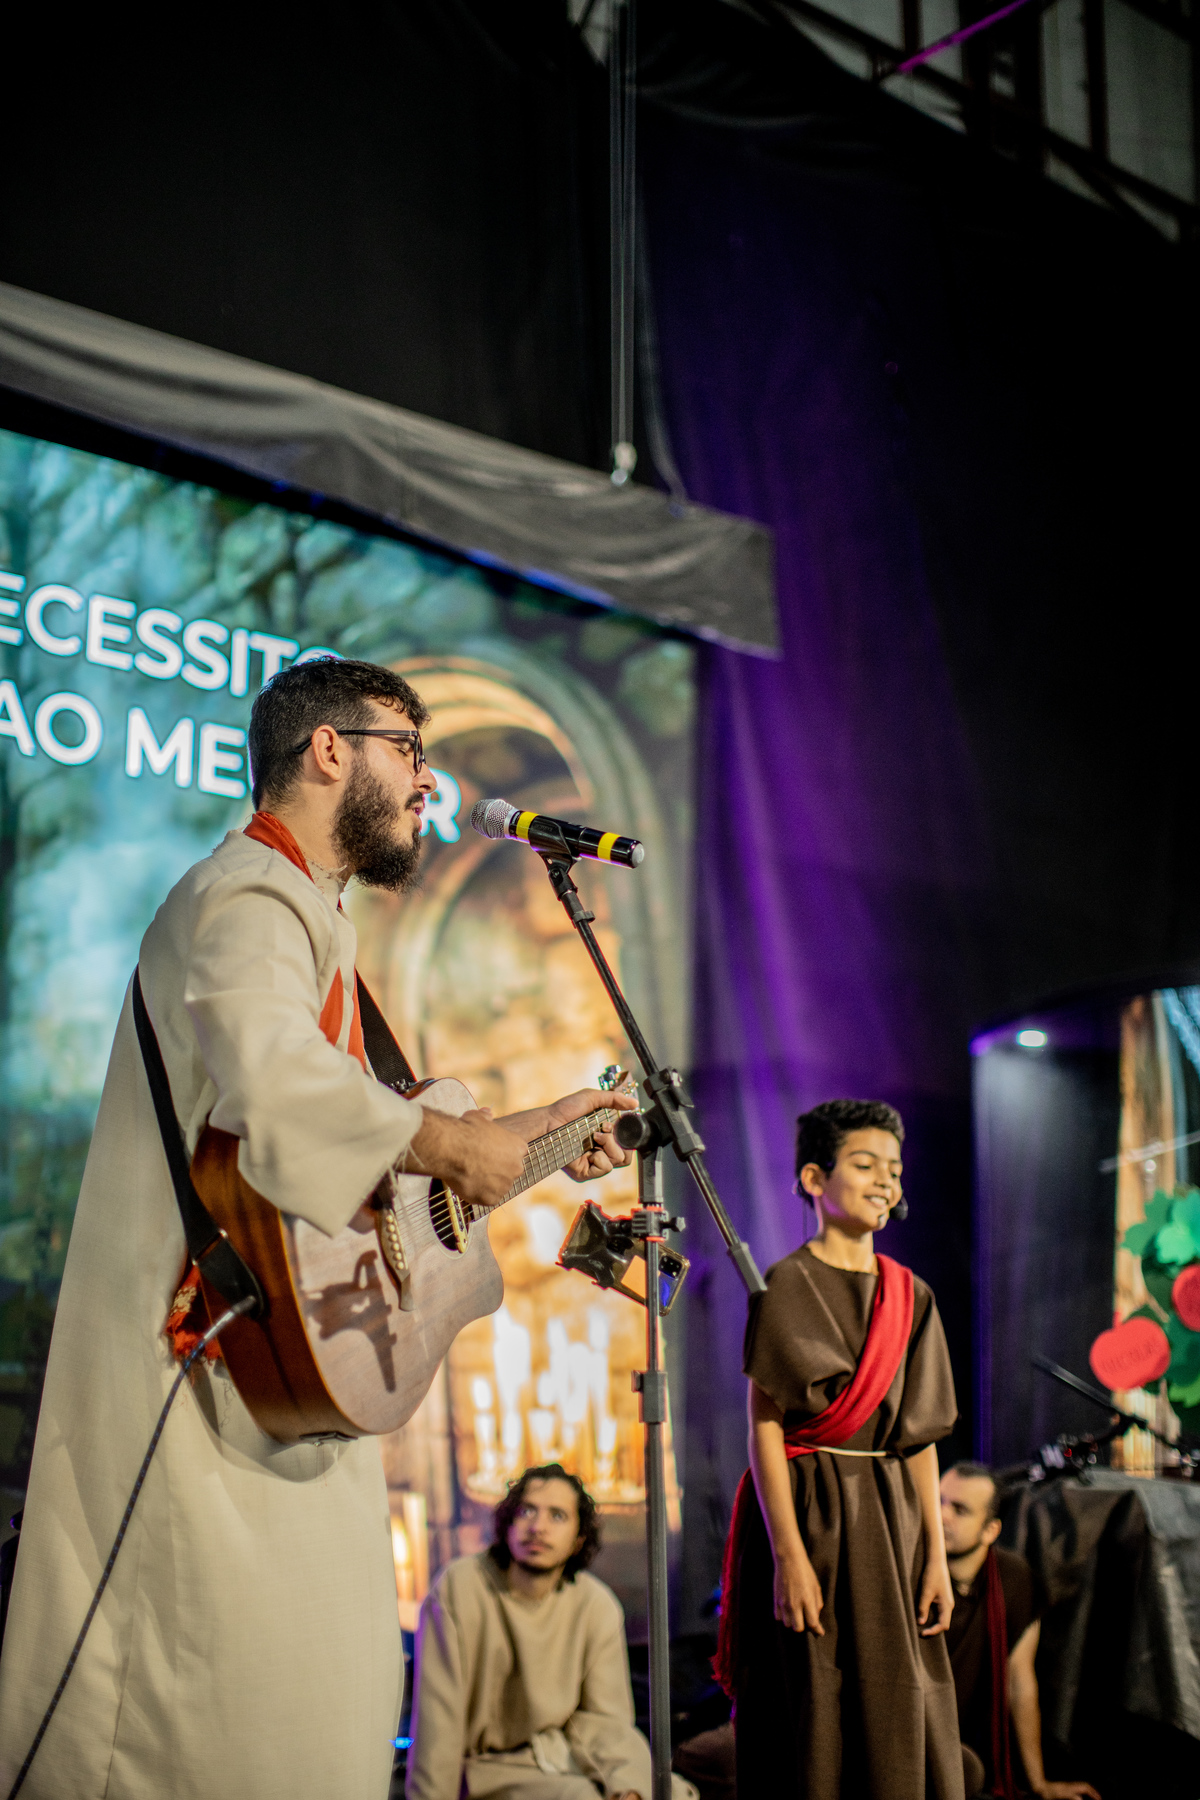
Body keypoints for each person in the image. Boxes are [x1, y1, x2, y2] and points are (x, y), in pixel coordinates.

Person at [0, 658, 635, 1800]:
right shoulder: (247, 891)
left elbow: (372, 1177)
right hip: (200, 1390)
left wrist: (538, 1132)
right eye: (411, 751)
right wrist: (449, 1145)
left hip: (280, 1399)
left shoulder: (315, 920)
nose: (430, 784)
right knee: (206, 1730)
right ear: (328, 750)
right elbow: (281, 1091)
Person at [716, 1097, 963, 1800]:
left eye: (894, 1169)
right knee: (815, 1697)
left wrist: (937, 1557)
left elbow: (917, 1440)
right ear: (815, 1178)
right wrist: (789, 1554)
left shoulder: (912, 1296)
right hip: (814, 1514)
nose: (886, 1180)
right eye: (864, 1164)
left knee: (903, 1696)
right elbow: (765, 1427)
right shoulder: (784, 1285)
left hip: (891, 1520)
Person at [407, 1464, 696, 1800]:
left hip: (563, 1756)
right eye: (527, 1511)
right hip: (488, 1770)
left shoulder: (595, 1606)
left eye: (557, 1516)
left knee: (672, 1793)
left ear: (578, 1539)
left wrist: (628, 1787)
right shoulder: (460, 1588)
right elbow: (437, 1727)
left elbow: (606, 1724)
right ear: (507, 1523)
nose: (538, 1527)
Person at [941, 1463, 1100, 1800]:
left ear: (990, 1530)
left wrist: (1039, 1783)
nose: (941, 1516)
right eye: (938, 1501)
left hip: (971, 1748)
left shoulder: (1013, 1578)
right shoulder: (906, 1569)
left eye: (959, 1509)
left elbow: (1020, 1680)